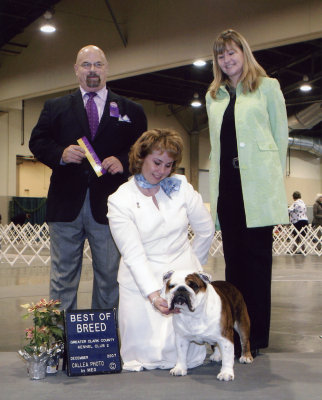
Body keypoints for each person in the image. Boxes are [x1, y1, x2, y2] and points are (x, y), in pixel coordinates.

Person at [29, 45, 147, 311]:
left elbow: (143, 148)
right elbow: (37, 141)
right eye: (86, 64)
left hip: (111, 207)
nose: (92, 70)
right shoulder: (55, 106)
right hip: (65, 206)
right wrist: (60, 153)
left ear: (106, 68)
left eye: (98, 64)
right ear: (76, 70)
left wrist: (123, 161)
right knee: (62, 278)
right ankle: (60, 343)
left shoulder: (131, 109)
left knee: (109, 278)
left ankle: (103, 344)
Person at [205, 29, 289, 356]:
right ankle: (234, 333)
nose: (227, 60)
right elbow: (216, 146)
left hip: (257, 189)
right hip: (228, 188)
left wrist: (270, 180)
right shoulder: (214, 97)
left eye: (231, 53)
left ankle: (258, 336)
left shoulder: (268, 88)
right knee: (234, 266)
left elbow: (280, 139)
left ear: (244, 52)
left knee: (257, 266)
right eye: (221, 55)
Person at [107, 128, 215, 371]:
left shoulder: (182, 187)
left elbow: (205, 229)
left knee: (188, 354)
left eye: (169, 165)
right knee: (143, 357)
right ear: (141, 157)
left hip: (180, 273)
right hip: (140, 279)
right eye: (157, 162)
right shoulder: (119, 199)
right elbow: (133, 254)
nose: (162, 171)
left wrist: (191, 268)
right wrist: (155, 295)